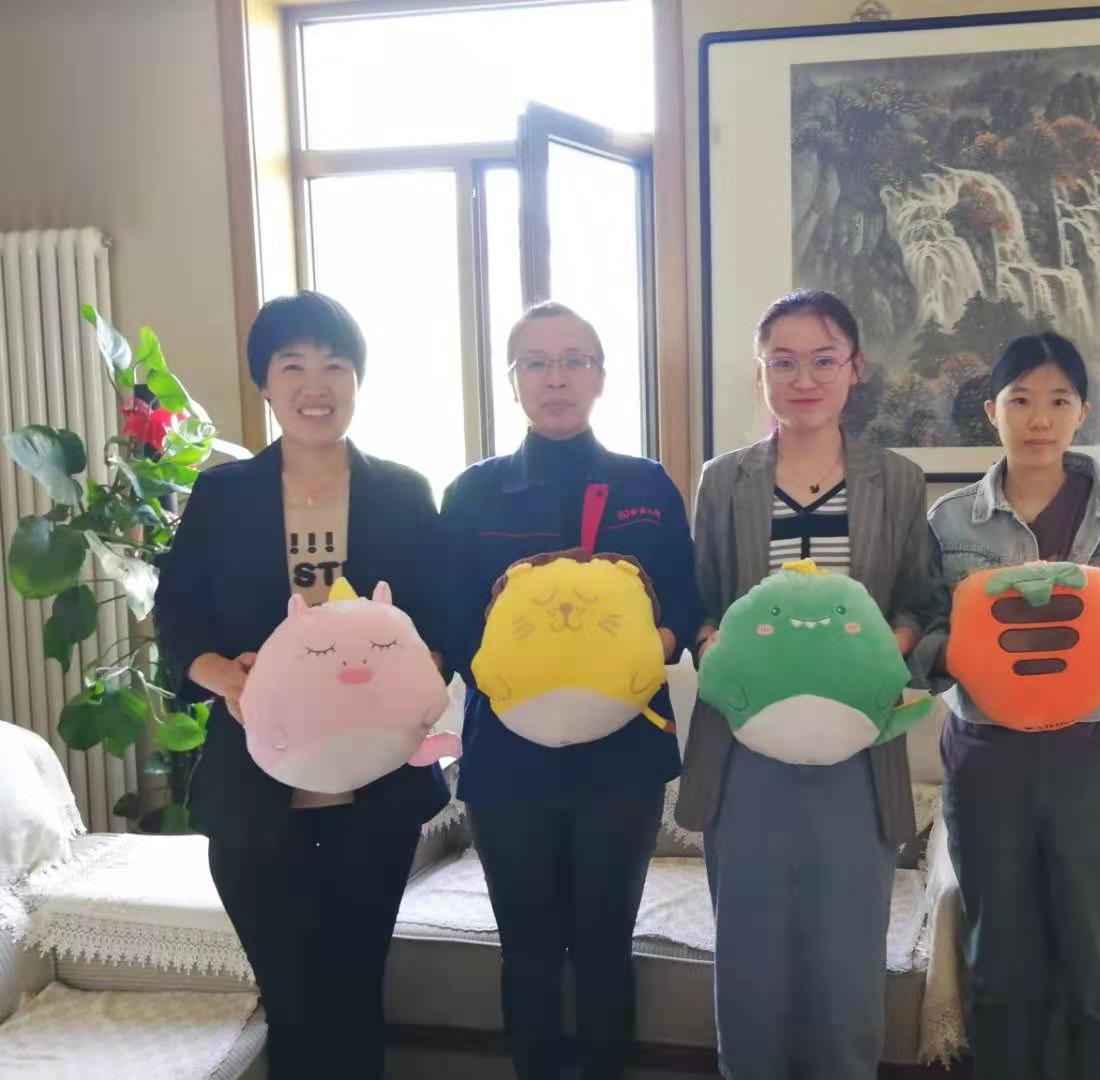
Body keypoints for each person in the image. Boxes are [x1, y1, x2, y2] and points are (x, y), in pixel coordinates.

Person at [154, 290, 450, 1080]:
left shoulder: (403, 493)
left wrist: (412, 680)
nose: (315, 385)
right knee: (292, 1003)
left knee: (355, 995)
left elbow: (441, 620)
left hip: (376, 797)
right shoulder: (223, 496)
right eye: (293, 366)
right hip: (254, 799)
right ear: (265, 383)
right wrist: (225, 677)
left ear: (357, 380)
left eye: (335, 366)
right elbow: (177, 617)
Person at [675, 289, 947, 1080]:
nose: (803, 379)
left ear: (854, 369)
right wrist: (711, 643)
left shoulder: (896, 481)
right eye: (783, 362)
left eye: (823, 360)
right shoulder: (724, 481)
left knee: (847, 965)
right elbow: (699, 600)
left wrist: (886, 648)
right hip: (743, 754)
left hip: (860, 752)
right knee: (750, 962)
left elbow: (924, 602)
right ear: (760, 373)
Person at [919, 331, 1100, 1080]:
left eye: (1058, 401)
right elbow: (920, 637)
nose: (1038, 418)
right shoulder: (949, 522)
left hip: (1095, 759)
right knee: (1000, 962)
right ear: (991, 410)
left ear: (1082, 413)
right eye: (1020, 400)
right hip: (987, 760)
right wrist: (952, 652)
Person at [437, 301, 700, 1080]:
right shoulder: (473, 492)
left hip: (622, 760)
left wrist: (650, 648)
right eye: (537, 362)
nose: (556, 377)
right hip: (506, 762)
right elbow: (450, 618)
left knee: (605, 947)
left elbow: (685, 600)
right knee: (526, 952)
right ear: (513, 380)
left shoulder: (646, 484)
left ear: (601, 377)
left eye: (574, 360)